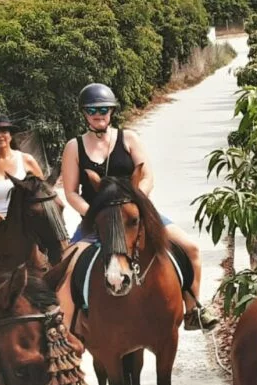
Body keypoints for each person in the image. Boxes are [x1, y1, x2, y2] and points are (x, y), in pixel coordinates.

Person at [59, 83, 218, 331]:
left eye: (103, 108)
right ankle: (66, 330)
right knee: (65, 269)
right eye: (92, 109)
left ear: (111, 111)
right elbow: (70, 192)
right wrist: (93, 213)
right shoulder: (74, 147)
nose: (98, 114)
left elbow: (147, 177)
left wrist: (136, 202)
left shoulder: (129, 138)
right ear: (84, 113)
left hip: (135, 215)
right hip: (97, 218)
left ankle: (193, 308)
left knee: (191, 248)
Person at [0, 113, 59, 225]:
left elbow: (44, 193)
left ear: (11, 135)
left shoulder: (27, 160)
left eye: (4, 131)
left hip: (28, 224)